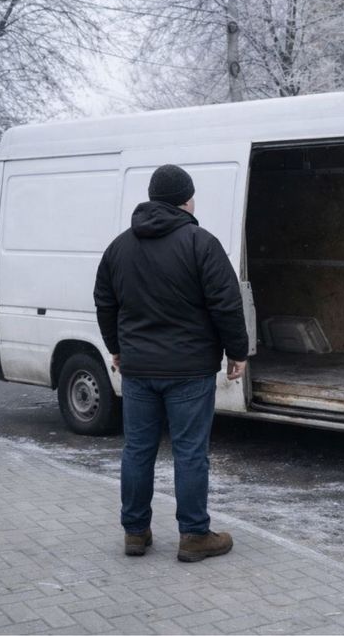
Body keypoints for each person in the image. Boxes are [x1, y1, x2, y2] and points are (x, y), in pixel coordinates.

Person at [94, 164, 249, 562]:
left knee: (137, 450)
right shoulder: (201, 243)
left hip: (138, 369)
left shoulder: (119, 247)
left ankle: (135, 533)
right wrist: (237, 352)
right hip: (189, 370)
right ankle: (194, 536)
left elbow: (105, 302)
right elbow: (226, 303)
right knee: (190, 453)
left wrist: (116, 347)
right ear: (186, 199)